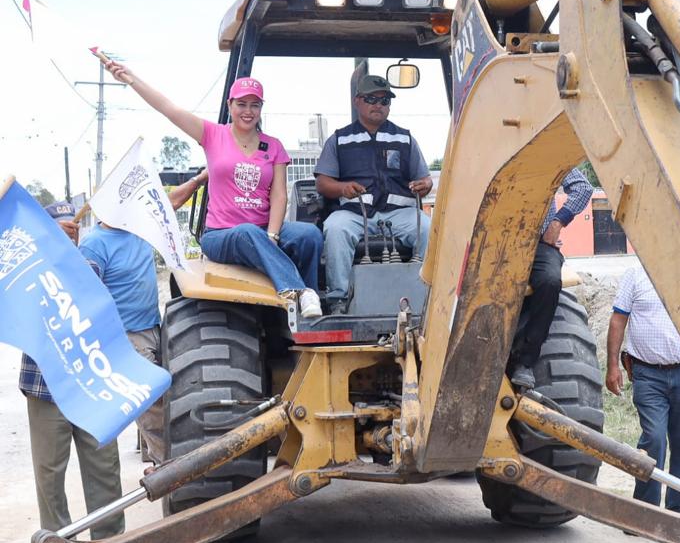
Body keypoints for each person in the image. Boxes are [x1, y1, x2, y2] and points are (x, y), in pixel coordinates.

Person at [105, 62, 323, 318]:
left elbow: (279, 195)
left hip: (263, 230)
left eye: (255, 105)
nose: (248, 111)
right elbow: (169, 109)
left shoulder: (273, 146)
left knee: (309, 234)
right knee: (248, 232)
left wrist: (272, 236)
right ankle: (299, 290)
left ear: (261, 109)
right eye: (241, 104)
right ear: (230, 105)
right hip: (221, 235)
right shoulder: (212, 134)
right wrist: (130, 78)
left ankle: (311, 309)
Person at [78, 172, 207, 463]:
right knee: (151, 403)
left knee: (170, 397)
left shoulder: (138, 228)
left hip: (153, 327)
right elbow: (86, 297)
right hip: (125, 337)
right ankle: (168, 468)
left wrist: (200, 179)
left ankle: (159, 459)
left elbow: (171, 201)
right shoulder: (94, 245)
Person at [20, 202, 123, 538]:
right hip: (45, 387)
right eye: (61, 227)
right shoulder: (25, 270)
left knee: (104, 469)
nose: (70, 231)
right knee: (49, 473)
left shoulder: (90, 269)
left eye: (74, 226)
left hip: (90, 386)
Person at [314, 74, 433, 312]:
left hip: (400, 214)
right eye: (372, 99)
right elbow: (323, 183)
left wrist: (424, 185)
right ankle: (339, 300)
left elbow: (426, 178)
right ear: (357, 101)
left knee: (428, 229)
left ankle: (426, 298)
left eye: (385, 100)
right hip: (356, 214)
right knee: (336, 228)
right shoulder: (340, 139)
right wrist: (342, 188)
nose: (379, 105)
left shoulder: (405, 138)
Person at [605, 264, 680, 514]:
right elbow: (618, 321)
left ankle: (678, 513)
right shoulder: (635, 275)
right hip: (648, 375)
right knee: (654, 440)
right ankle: (645, 512)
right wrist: (612, 366)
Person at [507, 168, 593, 389]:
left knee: (550, 281)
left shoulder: (547, 149)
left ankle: (525, 361)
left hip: (539, 244)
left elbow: (583, 188)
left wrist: (556, 224)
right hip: (496, 244)